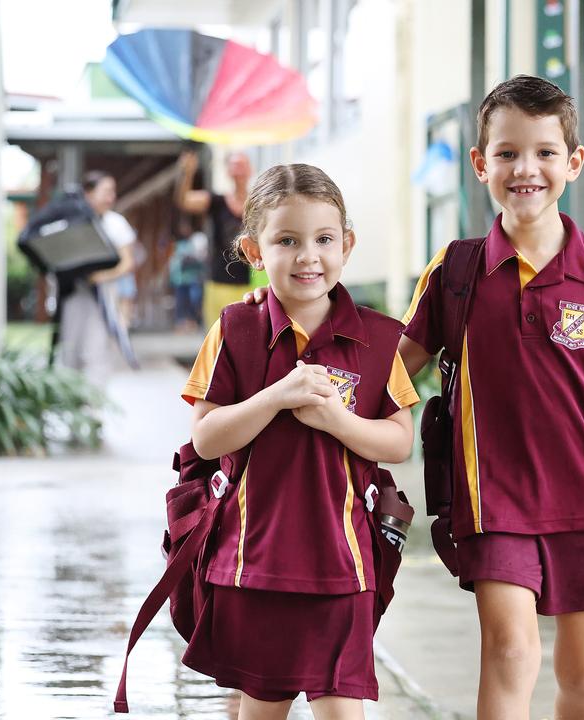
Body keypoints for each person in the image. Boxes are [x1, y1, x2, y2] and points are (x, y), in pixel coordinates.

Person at [402, 76, 584, 719]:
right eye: (507, 153)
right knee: (509, 653)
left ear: (574, 163)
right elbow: (394, 370)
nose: (526, 169)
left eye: (546, 152)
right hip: (492, 499)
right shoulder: (455, 273)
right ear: (481, 164)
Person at [179, 163, 419, 718]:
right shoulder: (234, 331)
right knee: (262, 709)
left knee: (343, 709)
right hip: (254, 565)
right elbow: (208, 438)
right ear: (254, 250)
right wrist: (274, 398)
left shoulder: (380, 339)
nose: (308, 256)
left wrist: (338, 421)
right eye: (287, 240)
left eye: (323, 239)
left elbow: (398, 441)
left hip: (345, 565)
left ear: (347, 245)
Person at [56, 170, 135, 387]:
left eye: (113, 192)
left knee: (97, 349)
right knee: (70, 349)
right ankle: (70, 400)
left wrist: (101, 276)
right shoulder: (69, 223)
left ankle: (94, 408)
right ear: (88, 193)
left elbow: (127, 262)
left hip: (104, 297)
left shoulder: (116, 223)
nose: (111, 197)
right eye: (106, 191)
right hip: (73, 295)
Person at [174, 149, 265, 329]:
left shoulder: (260, 204)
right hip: (219, 281)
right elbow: (184, 201)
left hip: (253, 281)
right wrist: (186, 173)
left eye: (242, 164)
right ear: (227, 171)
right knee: (219, 337)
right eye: (234, 165)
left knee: (251, 337)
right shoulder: (217, 201)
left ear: (250, 169)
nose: (238, 169)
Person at [169, 217, 208, 332]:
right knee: (180, 301)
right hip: (180, 278)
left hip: (192, 277)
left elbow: (201, 258)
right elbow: (174, 262)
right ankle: (182, 323)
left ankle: (193, 321)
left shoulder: (196, 241)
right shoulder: (177, 244)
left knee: (194, 300)